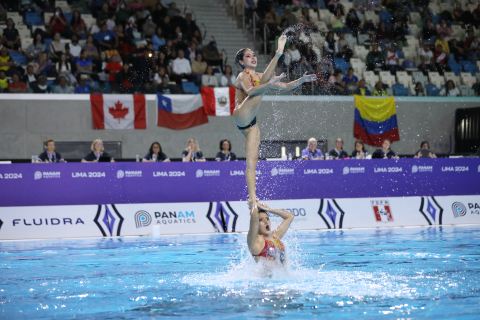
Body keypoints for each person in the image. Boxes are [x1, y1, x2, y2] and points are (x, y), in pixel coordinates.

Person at [234, 35, 317, 206]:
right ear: (242, 62)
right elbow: (250, 92)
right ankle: (278, 53)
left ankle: (252, 199)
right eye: (248, 56)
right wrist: (270, 82)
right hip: (241, 113)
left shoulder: (260, 76)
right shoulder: (242, 75)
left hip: (251, 125)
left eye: (253, 55)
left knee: (252, 163)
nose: (253, 57)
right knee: (262, 85)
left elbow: (286, 86)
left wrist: (300, 80)